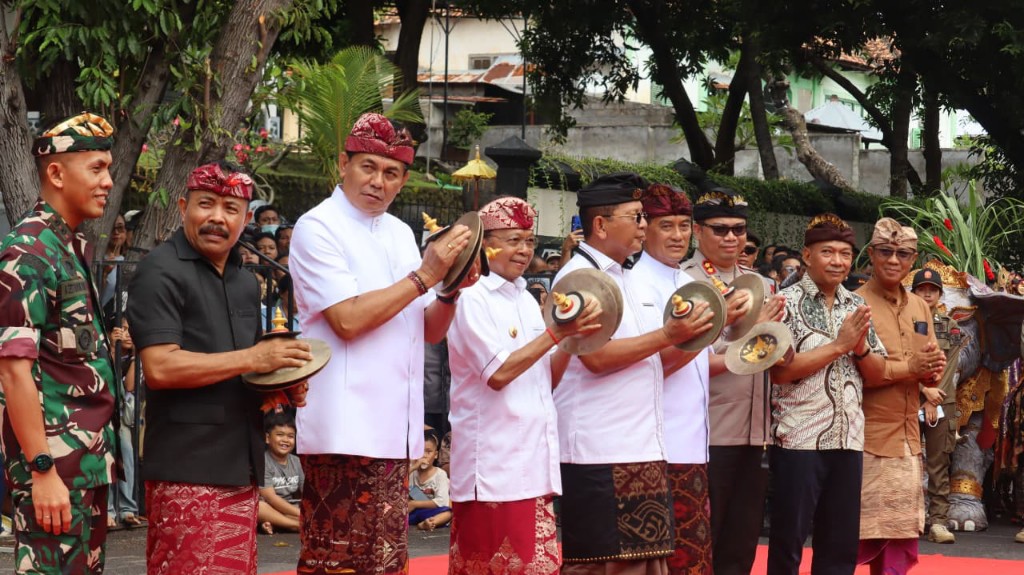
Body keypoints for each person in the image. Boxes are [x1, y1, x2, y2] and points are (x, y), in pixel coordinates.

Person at [288, 112, 475, 575]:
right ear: (343, 164)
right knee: (339, 558)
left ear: (404, 179)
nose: (378, 181)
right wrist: (426, 275)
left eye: (391, 172)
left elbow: (428, 329)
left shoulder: (398, 232)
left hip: (394, 425)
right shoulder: (319, 226)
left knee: (386, 560)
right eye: (367, 166)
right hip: (344, 427)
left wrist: (450, 289)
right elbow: (348, 320)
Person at [127, 161, 312, 574]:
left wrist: (282, 386)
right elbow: (160, 367)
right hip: (187, 468)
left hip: (241, 466)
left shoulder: (245, 281)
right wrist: (254, 358)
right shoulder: (159, 270)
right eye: (206, 204)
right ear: (182, 206)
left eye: (231, 208)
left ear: (246, 219)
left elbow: (243, 372)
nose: (217, 217)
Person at [554, 172, 716, 574]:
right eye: (635, 217)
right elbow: (595, 357)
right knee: (601, 564)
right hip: (598, 450)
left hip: (642, 446)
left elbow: (651, 357)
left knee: (647, 564)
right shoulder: (578, 280)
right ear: (601, 224)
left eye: (643, 217)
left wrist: (689, 333)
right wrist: (669, 335)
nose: (643, 226)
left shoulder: (627, 277)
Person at [446, 197, 600, 574]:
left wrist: (571, 340)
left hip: (532, 461)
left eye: (529, 241)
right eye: (513, 239)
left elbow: (547, 378)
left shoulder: (528, 299)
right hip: (494, 464)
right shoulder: (470, 298)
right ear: (484, 244)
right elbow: (497, 375)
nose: (524, 250)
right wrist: (556, 332)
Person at [0, 112, 119, 574]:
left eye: (108, 168)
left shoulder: (68, 246)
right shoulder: (27, 252)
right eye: (96, 168)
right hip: (54, 472)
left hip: (86, 468)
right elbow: (13, 371)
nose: (107, 181)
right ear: (55, 172)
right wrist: (43, 470)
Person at [768, 213, 887, 575]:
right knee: (788, 542)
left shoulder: (856, 305)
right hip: (798, 439)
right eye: (828, 252)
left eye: (845, 253)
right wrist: (839, 345)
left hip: (848, 439)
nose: (838, 261)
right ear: (806, 255)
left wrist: (861, 349)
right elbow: (779, 373)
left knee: (839, 546)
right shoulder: (783, 303)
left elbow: (878, 373)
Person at [680, 187, 783, 575]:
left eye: (738, 230)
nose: (731, 239)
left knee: (742, 542)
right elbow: (687, 359)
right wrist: (753, 331)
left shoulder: (761, 283)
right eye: (720, 229)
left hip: (757, 430)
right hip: (708, 429)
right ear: (697, 231)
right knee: (701, 538)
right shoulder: (684, 282)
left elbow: (773, 350)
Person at [631, 183, 716, 574]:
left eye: (684, 226)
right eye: (667, 226)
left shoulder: (688, 284)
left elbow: (703, 363)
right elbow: (652, 365)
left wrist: (753, 339)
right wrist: (706, 331)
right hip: (653, 446)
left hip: (695, 443)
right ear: (643, 227)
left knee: (695, 559)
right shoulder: (632, 286)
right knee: (658, 561)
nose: (678, 236)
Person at [854, 219, 945, 574]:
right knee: (857, 536)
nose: (894, 260)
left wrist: (931, 369)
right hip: (866, 437)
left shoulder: (920, 308)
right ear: (871, 255)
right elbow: (862, 373)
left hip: (909, 439)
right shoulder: (855, 304)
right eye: (886, 252)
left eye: (903, 254)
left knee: (899, 540)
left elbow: (930, 364)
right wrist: (912, 368)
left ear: (913, 259)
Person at [910, 267, 959, 545]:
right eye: (922, 288)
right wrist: (922, 393)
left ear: (940, 293)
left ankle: (938, 521)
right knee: (905, 461)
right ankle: (908, 518)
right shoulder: (904, 322)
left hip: (942, 401)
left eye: (932, 289)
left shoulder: (950, 325)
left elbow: (950, 367)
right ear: (914, 292)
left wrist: (933, 397)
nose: (927, 293)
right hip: (907, 399)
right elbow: (899, 359)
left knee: (939, 462)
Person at [259, 411, 303, 534]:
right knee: (259, 508)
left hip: (290, 508)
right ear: (267, 438)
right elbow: (270, 498)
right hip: (270, 507)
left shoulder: (296, 461)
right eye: (280, 434)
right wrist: (302, 515)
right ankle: (298, 525)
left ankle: (278, 524)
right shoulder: (263, 461)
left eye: (290, 436)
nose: (285, 440)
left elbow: (306, 492)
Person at [408, 432, 452, 531]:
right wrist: (413, 467)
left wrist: (415, 504)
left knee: (448, 513)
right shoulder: (411, 472)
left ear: (435, 455)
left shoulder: (440, 474)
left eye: (428, 452)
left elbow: (441, 501)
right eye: (419, 452)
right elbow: (397, 482)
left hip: (432, 512)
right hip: (412, 512)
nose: (424, 456)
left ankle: (429, 523)